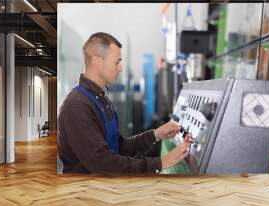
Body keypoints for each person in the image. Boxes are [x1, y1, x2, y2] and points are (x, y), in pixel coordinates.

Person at [57, 32, 190, 174]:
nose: (120, 68)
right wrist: (162, 162)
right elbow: (104, 165)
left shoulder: (101, 99)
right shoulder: (77, 106)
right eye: (116, 62)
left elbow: (120, 146)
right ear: (97, 61)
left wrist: (156, 134)